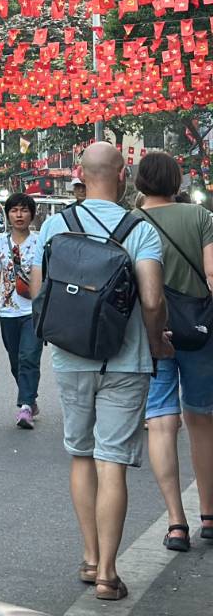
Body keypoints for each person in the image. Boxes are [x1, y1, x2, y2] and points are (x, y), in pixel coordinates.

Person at [27, 142, 170, 602]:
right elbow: (151, 300)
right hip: (125, 361)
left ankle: (89, 557)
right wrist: (155, 340)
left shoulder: (53, 224)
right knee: (113, 463)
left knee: (81, 454)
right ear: (123, 174)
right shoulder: (140, 229)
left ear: (79, 175)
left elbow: (36, 290)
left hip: (70, 357)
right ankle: (109, 574)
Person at [132, 151, 213, 553]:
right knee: (201, 420)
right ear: (177, 182)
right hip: (200, 332)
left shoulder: (130, 223)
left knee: (162, 422)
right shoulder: (200, 218)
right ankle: (210, 516)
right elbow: (212, 274)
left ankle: (176, 522)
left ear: (138, 182)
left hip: (151, 333)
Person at [0, 193, 43, 429]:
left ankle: (25, 406)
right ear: (7, 215)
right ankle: (30, 398)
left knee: (29, 357)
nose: (19, 215)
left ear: (31, 215)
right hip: (8, 312)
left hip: (33, 312)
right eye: (14, 210)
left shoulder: (40, 243)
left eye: (24, 210)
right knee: (16, 362)